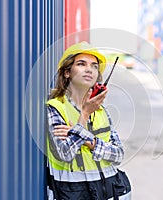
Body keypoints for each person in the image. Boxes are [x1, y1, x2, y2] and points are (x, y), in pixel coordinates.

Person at [46, 41, 131, 200]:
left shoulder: (101, 111)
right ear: (67, 72)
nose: (89, 69)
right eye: (81, 64)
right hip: (73, 193)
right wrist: (84, 114)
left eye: (94, 66)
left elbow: (118, 155)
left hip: (111, 191)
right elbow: (64, 154)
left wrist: (86, 139)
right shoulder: (55, 108)